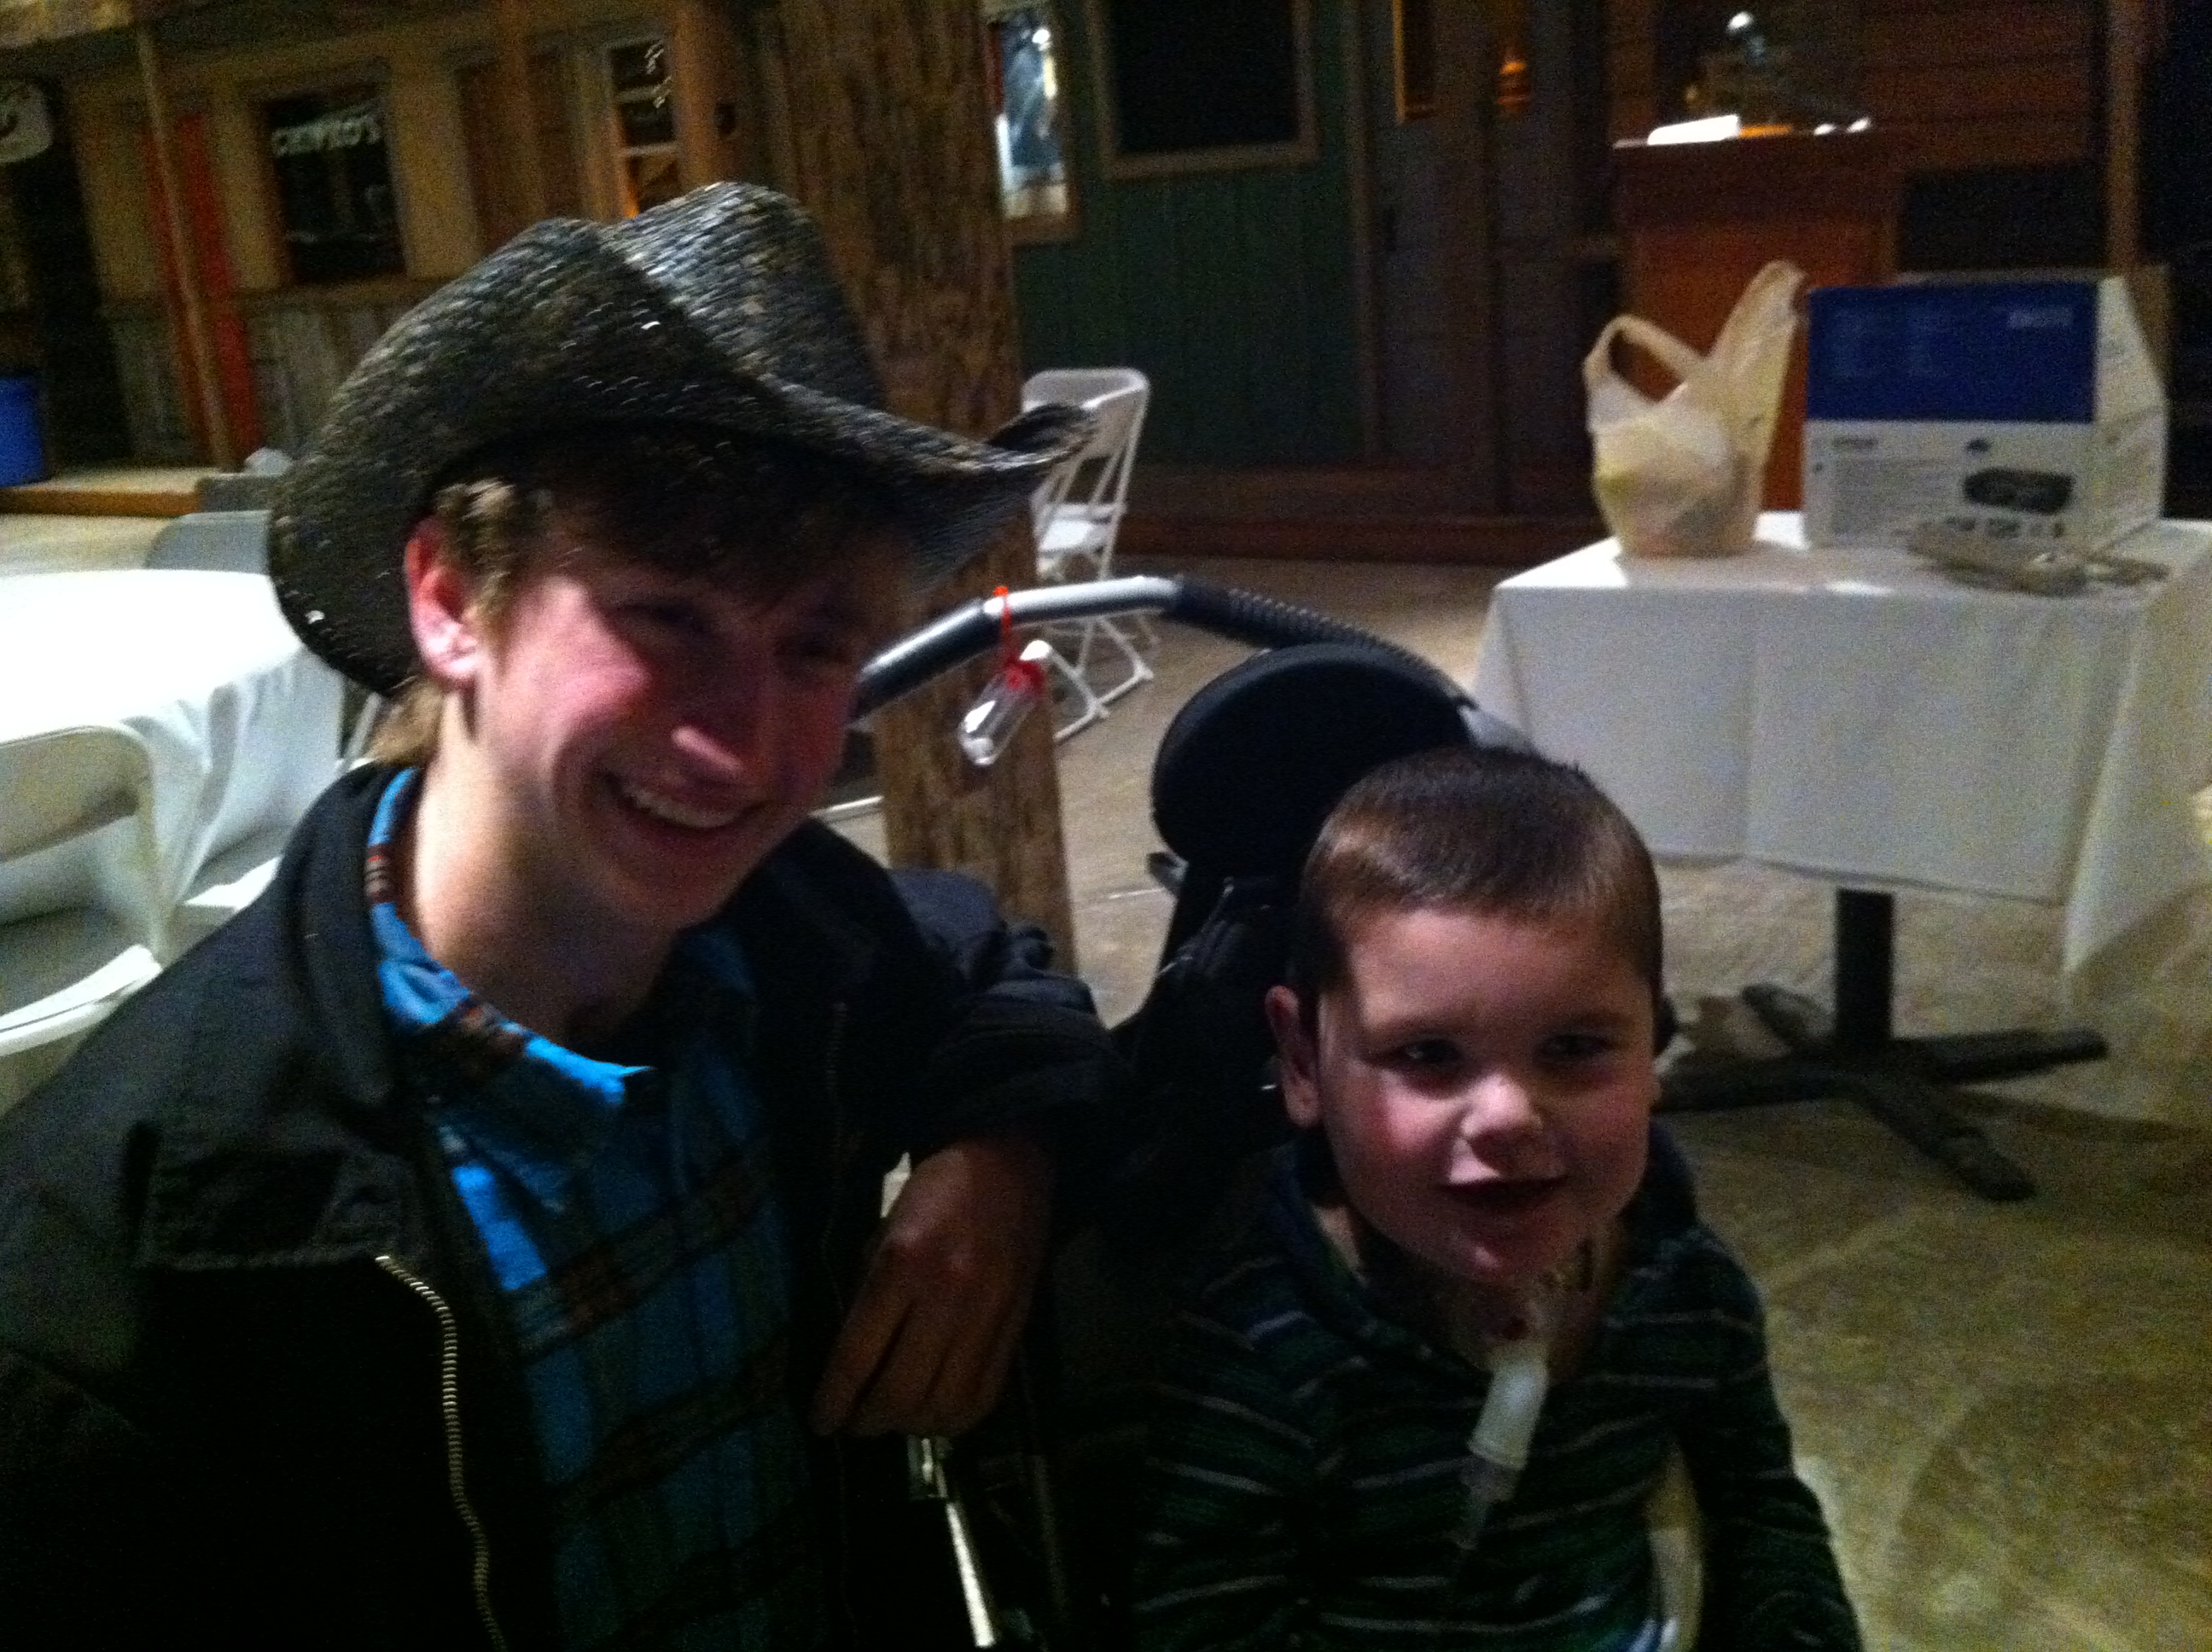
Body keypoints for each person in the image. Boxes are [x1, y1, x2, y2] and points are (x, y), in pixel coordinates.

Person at [0, 183, 1122, 1649]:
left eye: (813, 648)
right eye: (667, 617)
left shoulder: (793, 934)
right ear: (450, 597)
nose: (740, 744)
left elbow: (987, 963)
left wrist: (1001, 1158)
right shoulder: (122, 1261)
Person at [1132, 745, 1860, 1649]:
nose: (1510, 1116)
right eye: (1427, 1055)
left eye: (1575, 1047)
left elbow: (1761, 1513)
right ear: (1304, 1061)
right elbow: (1200, 1625)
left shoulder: (1686, 1291)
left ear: (1652, 1045)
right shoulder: (1265, 1357)